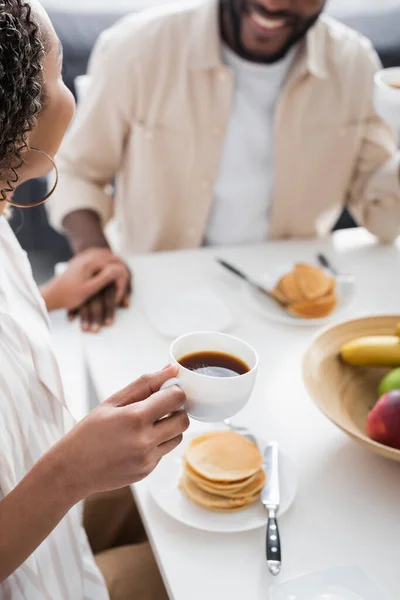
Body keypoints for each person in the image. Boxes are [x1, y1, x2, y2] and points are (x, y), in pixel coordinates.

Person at [48, 0, 400, 332]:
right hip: (153, 291)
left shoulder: (355, 65)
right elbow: (77, 170)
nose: (274, 4)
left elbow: (383, 217)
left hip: (294, 308)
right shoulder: (137, 47)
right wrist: (94, 253)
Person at [0, 2, 189, 598]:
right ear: (17, 115)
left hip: (58, 533)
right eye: (57, 78)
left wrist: (51, 296)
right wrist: (69, 473)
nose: (69, 95)